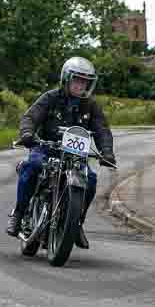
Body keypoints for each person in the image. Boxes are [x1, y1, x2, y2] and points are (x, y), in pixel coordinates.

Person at [6, 56, 117, 249]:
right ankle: (19, 213)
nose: (80, 85)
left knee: (90, 180)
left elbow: (102, 130)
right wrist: (27, 133)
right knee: (32, 167)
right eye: (77, 79)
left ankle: (76, 223)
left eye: (85, 81)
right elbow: (31, 116)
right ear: (66, 78)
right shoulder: (50, 98)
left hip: (74, 156)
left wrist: (106, 152)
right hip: (46, 148)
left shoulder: (91, 105)